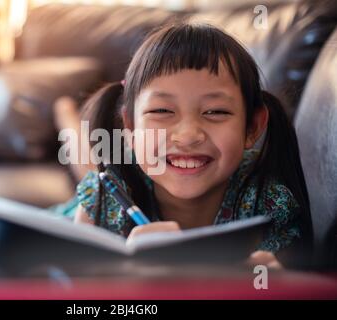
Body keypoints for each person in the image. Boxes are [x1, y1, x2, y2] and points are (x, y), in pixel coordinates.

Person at [55, 23, 313, 269]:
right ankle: (65, 111)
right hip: (74, 208)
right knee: (91, 163)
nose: (188, 135)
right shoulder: (102, 196)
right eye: (162, 110)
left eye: (215, 111)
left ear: (252, 128)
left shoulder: (269, 205)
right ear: (130, 128)